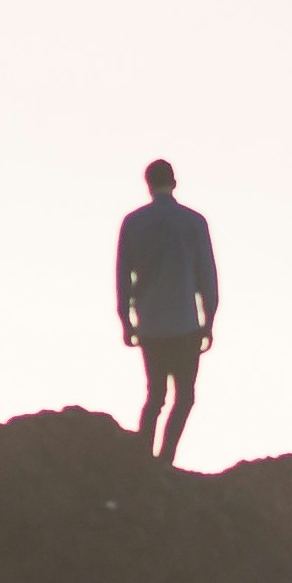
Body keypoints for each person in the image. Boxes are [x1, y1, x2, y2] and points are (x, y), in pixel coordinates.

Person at [114, 158, 219, 463]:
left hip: (151, 325)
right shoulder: (194, 222)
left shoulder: (133, 222)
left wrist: (126, 320)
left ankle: (143, 458)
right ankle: (165, 459)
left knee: (155, 395)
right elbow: (206, 276)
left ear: (148, 184)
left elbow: (123, 276)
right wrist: (209, 320)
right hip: (185, 324)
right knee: (184, 397)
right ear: (174, 182)